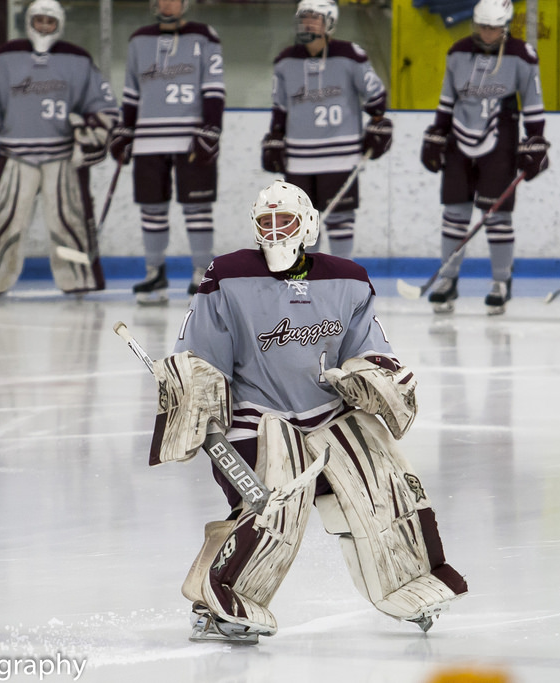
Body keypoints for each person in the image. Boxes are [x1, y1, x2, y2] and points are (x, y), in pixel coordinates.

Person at [148, 180, 467, 643]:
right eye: (266, 222)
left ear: (309, 224)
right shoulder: (228, 276)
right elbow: (201, 356)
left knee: (387, 490)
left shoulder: (348, 279)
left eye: (286, 221)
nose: (276, 232)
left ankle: (408, 581)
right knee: (272, 505)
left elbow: (369, 350)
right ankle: (217, 601)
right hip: (256, 418)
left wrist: (370, 379)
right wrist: (191, 394)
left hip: (328, 415)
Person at [0, 0, 117, 296]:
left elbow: (101, 104)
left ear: (59, 25)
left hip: (63, 156)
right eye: (38, 20)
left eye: (49, 22)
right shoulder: (4, 58)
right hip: (15, 154)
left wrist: (92, 128)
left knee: (70, 222)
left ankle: (78, 280)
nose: (43, 26)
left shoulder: (78, 59)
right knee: (3, 220)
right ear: (29, 22)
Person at [420, 0, 549, 315]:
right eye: (482, 26)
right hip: (458, 139)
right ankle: (447, 281)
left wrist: (535, 141)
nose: (487, 33)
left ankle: (501, 282)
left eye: (493, 28)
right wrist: (436, 134)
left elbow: (533, 105)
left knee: (497, 216)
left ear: (504, 26)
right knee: (454, 213)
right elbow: (447, 100)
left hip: (500, 142)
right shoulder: (457, 52)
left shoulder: (522, 56)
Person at [109, 0, 225, 304]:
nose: (166, 4)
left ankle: (202, 273)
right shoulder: (139, 40)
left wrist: (211, 127)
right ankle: (154, 274)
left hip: (191, 138)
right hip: (149, 139)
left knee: (197, 209)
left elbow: (214, 87)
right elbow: (132, 92)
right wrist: (126, 129)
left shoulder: (205, 37)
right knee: (152, 209)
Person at [261, 0, 393, 262]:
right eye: (304, 18)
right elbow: (280, 107)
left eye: (315, 18)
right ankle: (308, 279)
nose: (307, 23)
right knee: (302, 222)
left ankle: (343, 275)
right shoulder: (285, 60)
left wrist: (378, 121)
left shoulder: (350, 55)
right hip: (298, 158)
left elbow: (376, 95)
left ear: (330, 23)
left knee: (341, 219)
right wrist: (275, 135)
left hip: (341, 155)